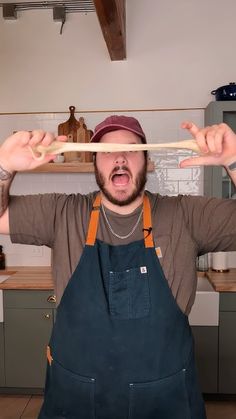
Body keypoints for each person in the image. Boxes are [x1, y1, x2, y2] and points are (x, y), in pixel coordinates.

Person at [0, 115, 236, 419]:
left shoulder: (185, 215)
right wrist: (4, 166)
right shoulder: (63, 213)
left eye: (132, 150)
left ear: (146, 159)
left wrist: (233, 159)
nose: (120, 158)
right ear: (95, 163)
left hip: (165, 401)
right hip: (76, 400)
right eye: (107, 151)